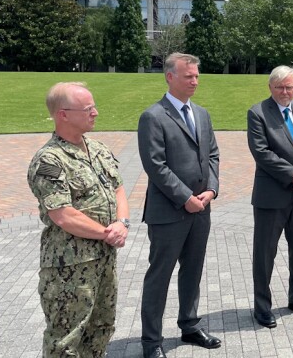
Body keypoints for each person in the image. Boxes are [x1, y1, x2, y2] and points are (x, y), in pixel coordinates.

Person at [27, 82, 130, 358]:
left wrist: (122, 223)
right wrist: (108, 233)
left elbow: (118, 187)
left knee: (102, 329)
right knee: (66, 340)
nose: (95, 112)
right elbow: (62, 214)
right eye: (87, 108)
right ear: (63, 114)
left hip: (104, 260)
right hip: (70, 268)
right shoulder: (50, 160)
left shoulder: (97, 149)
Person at [138, 53, 221, 358]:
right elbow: (155, 166)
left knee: (193, 270)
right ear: (170, 77)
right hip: (169, 213)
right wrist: (185, 198)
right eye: (189, 76)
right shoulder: (153, 116)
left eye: (197, 76)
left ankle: (189, 325)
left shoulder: (202, 114)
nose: (195, 81)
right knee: (159, 275)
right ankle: (151, 342)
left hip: (202, 209)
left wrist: (210, 190)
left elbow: (212, 155)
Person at [246, 65, 293, 328]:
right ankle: (262, 306)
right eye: (280, 87)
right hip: (272, 196)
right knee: (265, 253)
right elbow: (262, 152)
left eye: (290, 87)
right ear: (270, 87)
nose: (285, 91)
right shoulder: (258, 113)